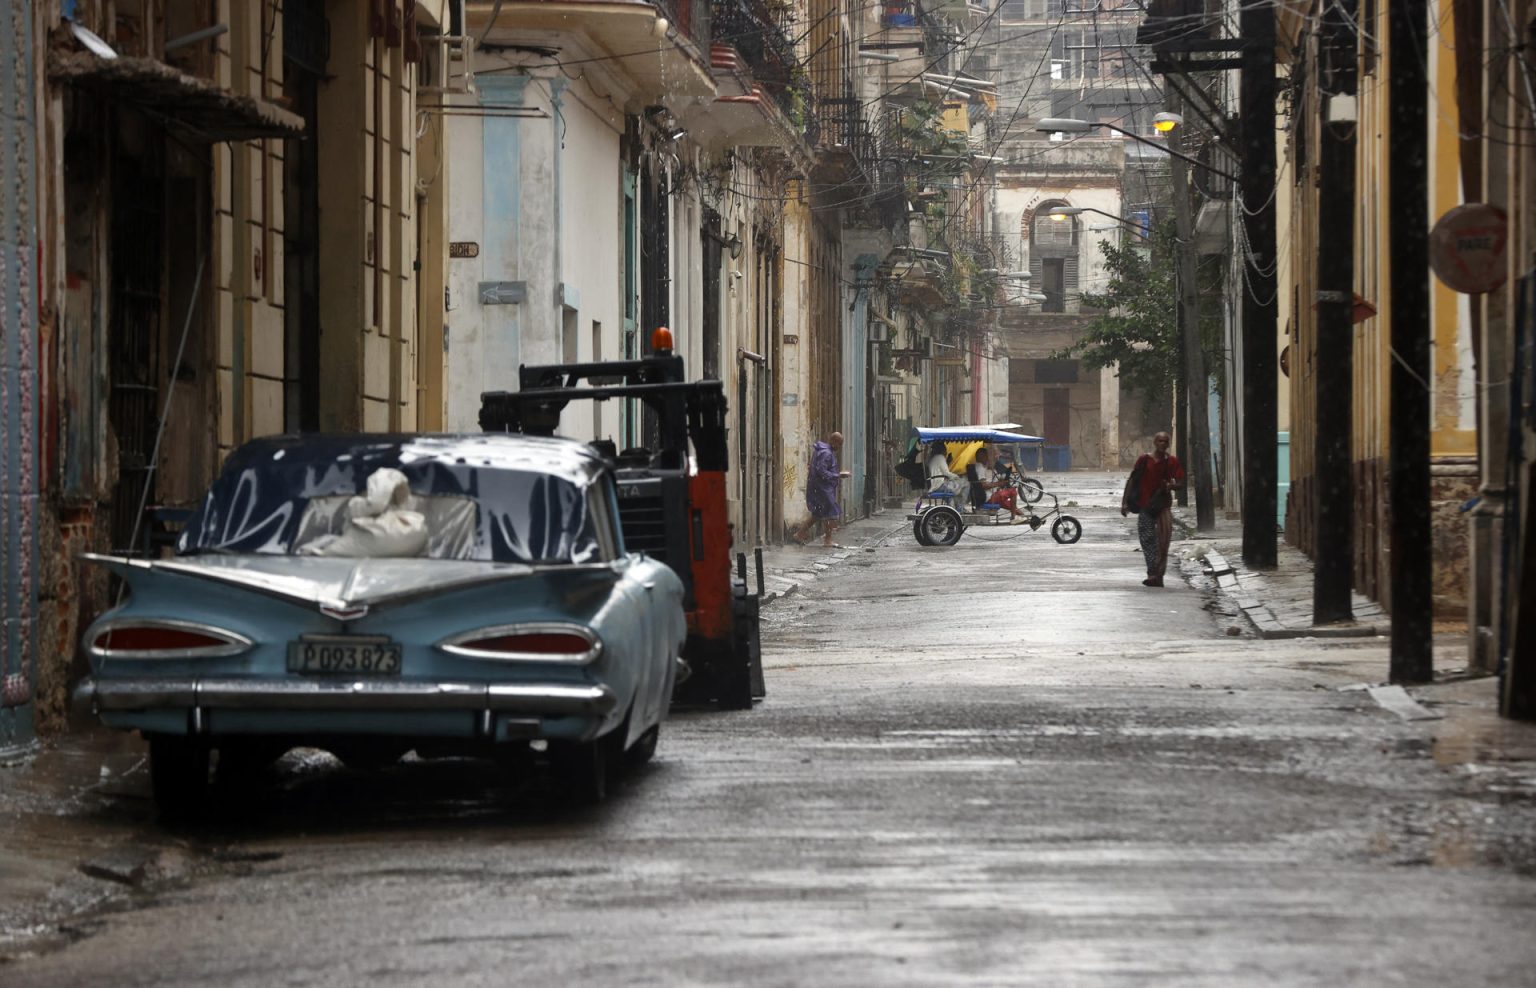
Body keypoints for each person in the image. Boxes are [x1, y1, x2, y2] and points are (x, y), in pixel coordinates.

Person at [1121, 431, 1185, 587]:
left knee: (1163, 542)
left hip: (1163, 506)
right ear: (1155, 442)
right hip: (1145, 506)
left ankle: (1159, 575)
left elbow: (1181, 483)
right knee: (1148, 540)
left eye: (1165, 441)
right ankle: (1152, 573)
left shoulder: (1172, 462)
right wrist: (1125, 502)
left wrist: (1171, 486)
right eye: (1160, 441)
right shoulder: (1144, 460)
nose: (1162, 444)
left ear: (1168, 444)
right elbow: (1132, 480)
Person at [791, 432, 851, 546]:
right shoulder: (826, 453)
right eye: (839, 444)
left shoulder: (823, 451)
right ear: (834, 442)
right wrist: (838, 475)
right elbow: (821, 471)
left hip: (821, 487)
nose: (839, 447)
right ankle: (828, 540)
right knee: (830, 513)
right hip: (823, 488)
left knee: (818, 514)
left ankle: (799, 534)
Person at [966, 447, 1027, 521]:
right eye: (986, 456)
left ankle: (1026, 518)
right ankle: (1013, 518)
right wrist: (998, 484)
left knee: (1011, 505)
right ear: (982, 456)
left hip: (992, 495)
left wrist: (999, 483)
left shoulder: (983, 467)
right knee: (1013, 491)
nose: (987, 458)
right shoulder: (980, 468)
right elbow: (983, 485)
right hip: (989, 498)